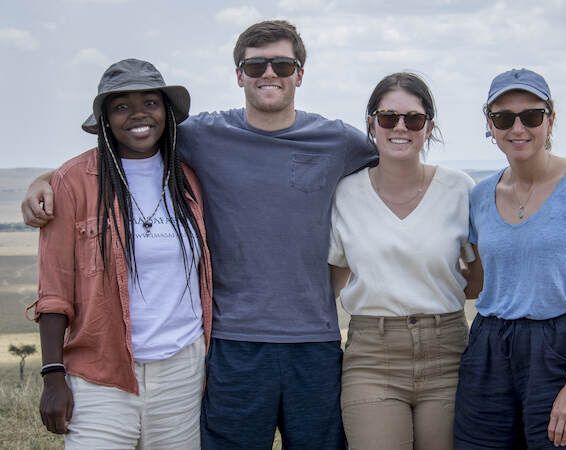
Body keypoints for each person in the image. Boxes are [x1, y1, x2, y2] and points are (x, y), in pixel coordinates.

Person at [22, 20, 376, 449]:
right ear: (238, 74)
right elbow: (125, 145)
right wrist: (46, 179)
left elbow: (394, 161)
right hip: (231, 345)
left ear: (300, 74)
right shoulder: (202, 137)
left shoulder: (338, 140)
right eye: (256, 65)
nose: (269, 74)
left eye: (283, 65)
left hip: (313, 343)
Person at [28, 58, 212, 448]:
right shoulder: (74, 182)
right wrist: (52, 374)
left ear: (166, 112)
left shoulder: (189, 177)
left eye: (150, 102)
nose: (138, 115)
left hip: (183, 370)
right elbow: (54, 287)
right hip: (101, 372)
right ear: (106, 119)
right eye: (121, 106)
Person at [453, 68, 566, 449]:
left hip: (562, 349)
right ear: (489, 125)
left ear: (550, 119)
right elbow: (478, 280)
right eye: (503, 118)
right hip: (490, 350)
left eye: (531, 116)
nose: (518, 128)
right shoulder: (480, 195)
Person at [329, 72, 483, 450]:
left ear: (429, 127)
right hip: (372, 357)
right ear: (371, 124)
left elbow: (478, 278)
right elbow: (332, 281)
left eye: (413, 119)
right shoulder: (345, 193)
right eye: (387, 117)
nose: (401, 127)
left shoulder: (460, 189)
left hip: (447, 352)